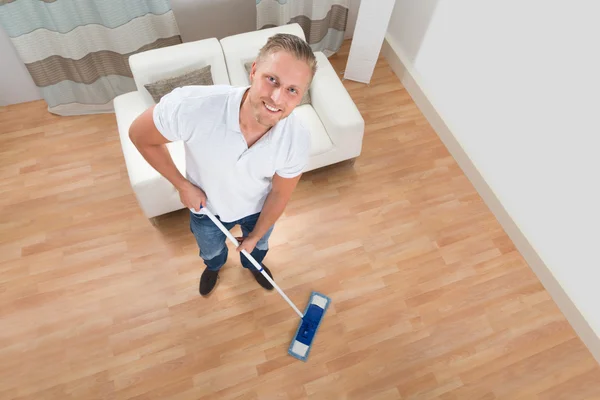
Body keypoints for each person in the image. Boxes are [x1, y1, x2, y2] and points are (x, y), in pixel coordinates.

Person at [129, 33, 317, 296]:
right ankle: (214, 267)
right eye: (272, 79)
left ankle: (254, 265)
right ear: (254, 71)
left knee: (257, 248)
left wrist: (254, 236)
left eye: (292, 90)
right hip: (208, 210)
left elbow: (279, 193)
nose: (277, 97)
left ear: (300, 96)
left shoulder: (297, 137)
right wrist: (182, 185)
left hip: (259, 210)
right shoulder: (192, 107)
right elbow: (140, 136)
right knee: (212, 252)